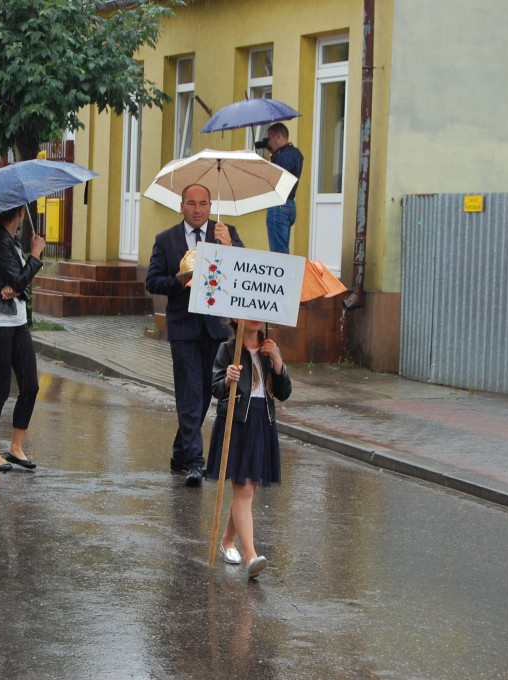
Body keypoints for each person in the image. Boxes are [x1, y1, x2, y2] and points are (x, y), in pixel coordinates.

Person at [145, 183, 244, 486]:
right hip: (184, 328)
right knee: (190, 394)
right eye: (191, 203)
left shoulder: (225, 233)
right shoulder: (166, 240)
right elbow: (153, 281)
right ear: (182, 206)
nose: (198, 209)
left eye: (203, 204)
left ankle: (180, 450)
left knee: (204, 395)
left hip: (216, 328)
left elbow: (243, 271)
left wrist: (230, 247)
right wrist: (179, 280)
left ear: (210, 206)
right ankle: (195, 462)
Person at [207, 318, 291, 579]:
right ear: (235, 317)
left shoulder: (269, 350)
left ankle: (227, 541)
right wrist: (228, 380)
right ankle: (251, 555)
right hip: (237, 422)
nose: (254, 316)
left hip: (262, 422)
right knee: (243, 489)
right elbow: (216, 388)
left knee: (247, 488)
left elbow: (284, 392)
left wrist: (278, 363)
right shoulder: (228, 349)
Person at [0, 204, 45, 472]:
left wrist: (17, 289)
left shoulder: (13, 241)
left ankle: (16, 448)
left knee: (31, 386)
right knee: (1, 389)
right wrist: (36, 255)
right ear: (19, 213)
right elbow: (19, 281)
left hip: (17, 322)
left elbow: (18, 284)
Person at [263, 122, 304, 254]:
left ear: (278, 136)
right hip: (290, 204)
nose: (268, 143)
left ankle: (283, 274)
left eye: (269, 138)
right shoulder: (296, 153)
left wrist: (273, 158)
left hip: (279, 204)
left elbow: (276, 180)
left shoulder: (283, 156)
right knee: (282, 249)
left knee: (278, 254)